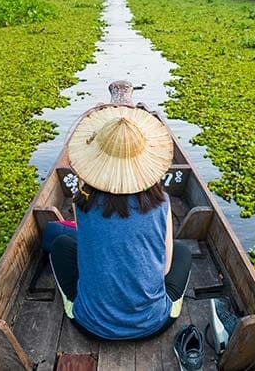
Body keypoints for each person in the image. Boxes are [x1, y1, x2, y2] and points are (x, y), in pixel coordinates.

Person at [49, 103, 192, 341]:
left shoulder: (81, 202)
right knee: (182, 251)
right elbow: (165, 269)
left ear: (96, 162)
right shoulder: (161, 201)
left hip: (92, 325)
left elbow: (90, 246)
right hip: (153, 323)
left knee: (60, 244)